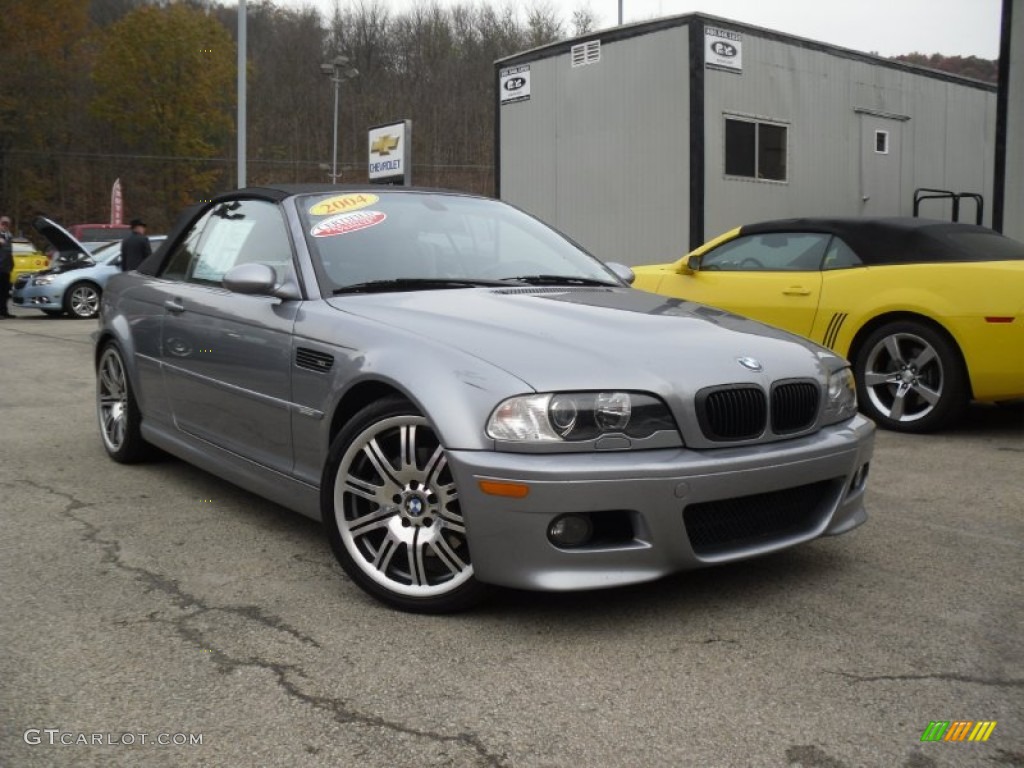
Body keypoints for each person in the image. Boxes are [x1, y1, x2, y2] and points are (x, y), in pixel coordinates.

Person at [0, 216, 14, 318]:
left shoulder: (9, 236)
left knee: (5, 292)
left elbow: (10, 253)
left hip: (6, 268)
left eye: (7, 224)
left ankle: (4, 312)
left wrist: (12, 265)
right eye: (3, 223)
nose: (5, 226)